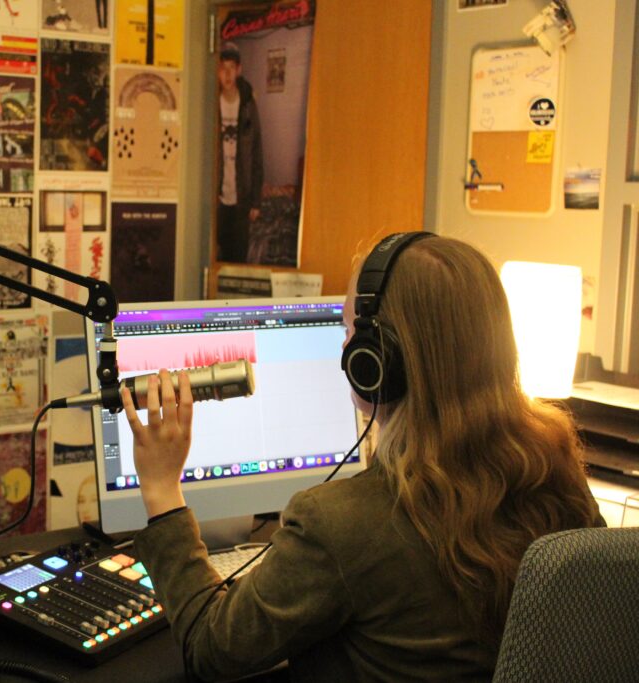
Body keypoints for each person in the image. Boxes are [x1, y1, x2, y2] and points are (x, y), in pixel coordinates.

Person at [122, 233, 604, 681]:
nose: (345, 348)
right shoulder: (558, 476)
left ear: (376, 362)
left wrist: (162, 490)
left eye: (351, 330)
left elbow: (213, 648)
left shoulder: (340, 523)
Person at [217, 41, 263, 264]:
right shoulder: (210, 103)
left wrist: (256, 201)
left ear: (239, 70)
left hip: (242, 198)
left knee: (238, 257)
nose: (227, 75)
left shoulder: (247, 104)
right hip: (216, 199)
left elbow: (256, 153)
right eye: (222, 68)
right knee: (217, 256)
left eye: (231, 68)